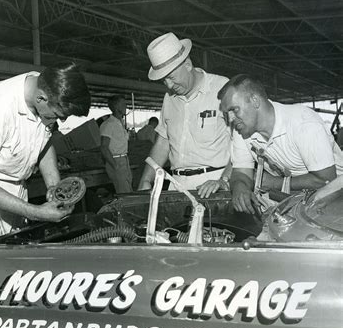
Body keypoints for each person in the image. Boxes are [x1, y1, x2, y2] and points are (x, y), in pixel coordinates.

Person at [0, 62, 91, 244]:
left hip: (15, 188)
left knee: (16, 263)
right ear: (41, 98)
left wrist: (54, 188)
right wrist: (37, 212)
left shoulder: (44, 87)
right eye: (56, 115)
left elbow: (44, 142)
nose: (58, 121)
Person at [218, 74, 343, 214]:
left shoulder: (303, 123)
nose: (231, 119)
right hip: (296, 200)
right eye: (226, 114)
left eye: (234, 110)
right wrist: (240, 189)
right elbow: (241, 173)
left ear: (255, 101)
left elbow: (326, 180)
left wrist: (275, 183)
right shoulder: (242, 129)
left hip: (335, 197)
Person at [137, 32, 232, 197]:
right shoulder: (169, 99)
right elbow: (163, 143)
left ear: (187, 64)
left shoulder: (222, 89)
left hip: (214, 186)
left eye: (171, 78)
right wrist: (146, 179)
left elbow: (243, 144)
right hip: (177, 186)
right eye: (164, 80)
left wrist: (224, 180)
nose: (169, 85)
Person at [100, 95, 133, 194]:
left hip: (124, 160)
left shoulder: (119, 123)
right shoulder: (109, 124)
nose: (125, 106)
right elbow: (104, 147)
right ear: (116, 107)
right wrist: (115, 166)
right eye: (123, 104)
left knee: (128, 191)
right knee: (125, 194)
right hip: (116, 160)